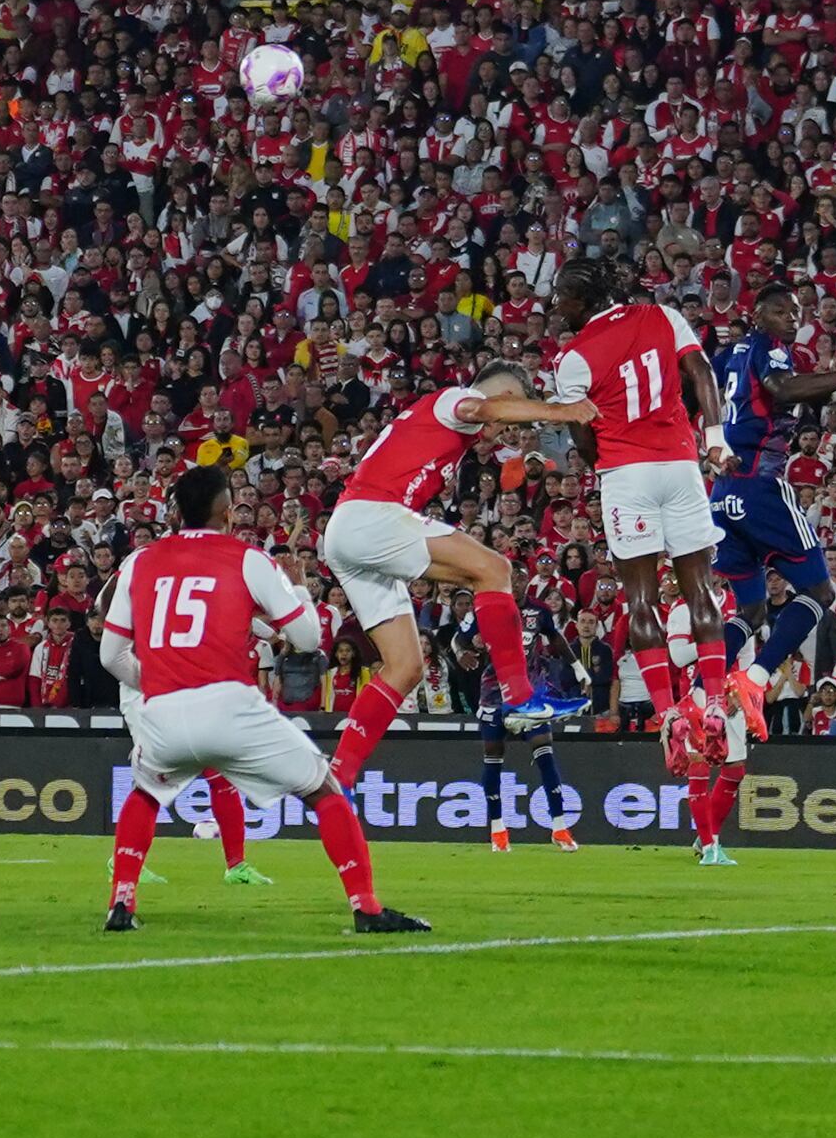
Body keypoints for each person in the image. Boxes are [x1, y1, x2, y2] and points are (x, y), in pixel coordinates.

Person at [97, 457, 426, 937]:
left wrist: (160, 683)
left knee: (146, 791)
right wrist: (299, 588)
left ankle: (121, 903)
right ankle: (367, 908)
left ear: (176, 513)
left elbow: (111, 655)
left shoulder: (140, 562)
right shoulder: (247, 558)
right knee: (323, 789)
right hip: (231, 704)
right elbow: (308, 640)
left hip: (163, 711)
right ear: (228, 512)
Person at [316, 364, 595, 818]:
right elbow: (479, 408)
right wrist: (561, 412)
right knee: (494, 569)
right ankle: (519, 697)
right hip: (372, 516)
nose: (502, 428)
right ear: (506, 394)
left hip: (348, 532)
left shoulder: (445, 422)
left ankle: (338, 778)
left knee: (404, 668)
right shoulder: (454, 400)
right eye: (506, 415)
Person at [547, 262, 742, 854]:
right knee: (700, 589)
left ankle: (669, 715)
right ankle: (713, 701)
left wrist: (605, 462)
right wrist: (714, 440)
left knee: (641, 599)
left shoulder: (573, 358)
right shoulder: (663, 316)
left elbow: (582, 433)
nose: (556, 306)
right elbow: (701, 371)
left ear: (582, 299)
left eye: (561, 296)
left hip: (626, 472)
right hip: (681, 463)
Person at [712, 290, 836, 696]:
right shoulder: (768, 346)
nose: (791, 319)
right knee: (820, 591)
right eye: (780, 312)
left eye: (795, 312)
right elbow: (783, 388)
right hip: (759, 484)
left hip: (724, 491)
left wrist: (711, 444)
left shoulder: (734, 352)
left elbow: (703, 383)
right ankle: (755, 680)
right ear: (757, 316)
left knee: (751, 610)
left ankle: (702, 693)